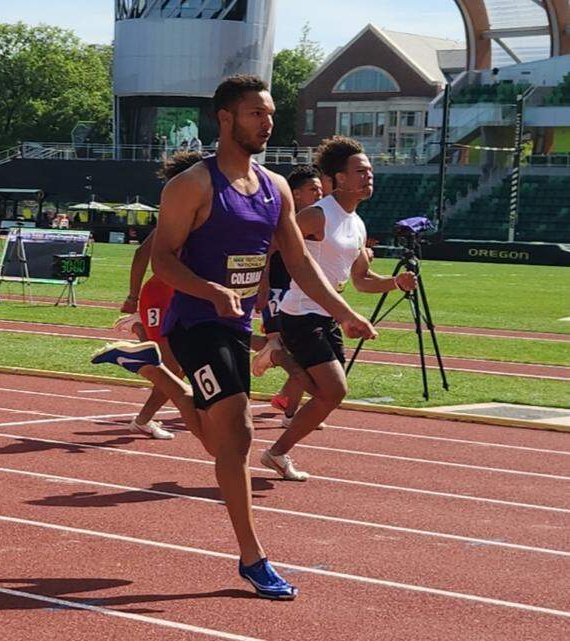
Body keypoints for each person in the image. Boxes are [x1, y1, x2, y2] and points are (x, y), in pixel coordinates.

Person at [148, 75, 376, 600]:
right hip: (196, 321)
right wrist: (211, 291)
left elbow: (297, 260)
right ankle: (253, 558)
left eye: (270, 114)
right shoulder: (193, 186)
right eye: (255, 114)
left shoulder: (275, 188)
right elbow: (162, 258)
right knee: (239, 432)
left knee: (222, 439)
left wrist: (342, 313)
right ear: (225, 119)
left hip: (236, 324)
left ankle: (154, 373)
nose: (267, 123)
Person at [261, 136, 416, 481]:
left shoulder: (358, 224)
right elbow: (273, 241)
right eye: (360, 171)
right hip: (300, 313)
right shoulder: (317, 215)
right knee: (334, 390)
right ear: (340, 178)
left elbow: (361, 280)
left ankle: (276, 452)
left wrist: (395, 283)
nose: (369, 176)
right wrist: (258, 286)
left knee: (327, 397)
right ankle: (277, 357)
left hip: (329, 315)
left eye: (371, 171)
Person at [94, 151, 205, 441]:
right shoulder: (177, 213)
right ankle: (134, 351)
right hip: (161, 294)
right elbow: (142, 252)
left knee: (182, 364)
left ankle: (141, 335)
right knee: (173, 366)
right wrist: (132, 296)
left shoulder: (202, 212)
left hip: (184, 294)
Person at [252, 165, 324, 425]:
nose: (319, 193)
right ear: (295, 194)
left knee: (298, 349)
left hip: (302, 295)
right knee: (297, 351)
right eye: (312, 189)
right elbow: (266, 253)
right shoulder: (284, 222)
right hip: (278, 291)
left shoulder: (319, 220)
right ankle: (290, 410)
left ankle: (285, 396)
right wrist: (263, 287)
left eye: (320, 189)